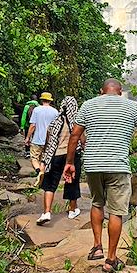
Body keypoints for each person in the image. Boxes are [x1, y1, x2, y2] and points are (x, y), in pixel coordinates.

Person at [64, 79, 137, 271]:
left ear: (101, 91)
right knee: (116, 211)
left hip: (93, 165)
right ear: (120, 92)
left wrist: (70, 163)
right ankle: (111, 259)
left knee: (97, 202)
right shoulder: (130, 106)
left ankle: (97, 247)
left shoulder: (88, 105)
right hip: (118, 166)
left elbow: (74, 135)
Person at [36, 96, 83, 225]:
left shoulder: (56, 121)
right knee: (72, 181)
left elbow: (49, 141)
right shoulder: (78, 122)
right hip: (72, 156)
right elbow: (82, 139)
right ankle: (72, 210)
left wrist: (45, 160)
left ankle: (46, 212)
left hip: (56, 155)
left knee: (50, 184)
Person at [25, 92, 58, 175]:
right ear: (50, 101)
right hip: (50, 140)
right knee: (46, 158)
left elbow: (33, 125)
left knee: (34, 158)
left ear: (41, 100)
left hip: (37, 139)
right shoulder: (55, 112)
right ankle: (44, 173)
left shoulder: (37, 110)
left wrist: (28, 137)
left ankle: (38, 170)